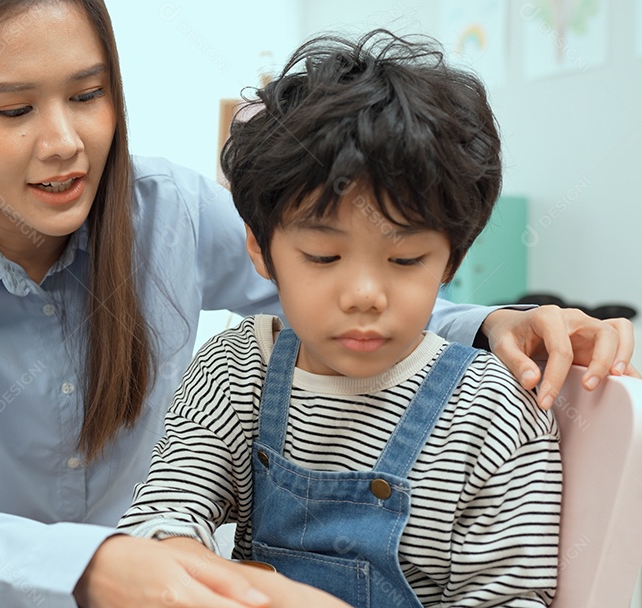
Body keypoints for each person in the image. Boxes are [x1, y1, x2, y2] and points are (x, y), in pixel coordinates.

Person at [0, 1, 634, 607]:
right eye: (14, 109)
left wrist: (487, 322)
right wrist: (96, 566)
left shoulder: (166, 208)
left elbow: (331, 292)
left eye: (88, 95)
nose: (62, 141)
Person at [119, 30, 560, 607]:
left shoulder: (492, 414)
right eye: (323, 257)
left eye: (405, 259)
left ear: (453, 254)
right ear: (260, 249)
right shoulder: (236, 371)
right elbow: (159, 522)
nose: (364, 295)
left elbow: (512, 599)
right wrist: (185, 565)